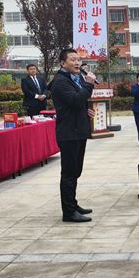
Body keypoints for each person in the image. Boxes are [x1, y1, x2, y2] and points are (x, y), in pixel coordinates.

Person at [49, 47, 96, 223]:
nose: (77, 63)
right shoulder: (60, 82)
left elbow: (77, 103)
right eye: (73, 60)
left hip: (77, 131)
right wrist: (89, 84)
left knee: (76, 171)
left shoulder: (73, 79)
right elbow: (76, 99)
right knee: (69, 173)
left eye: (78, 60)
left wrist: (85, 111)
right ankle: (68, 212)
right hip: (69, 133)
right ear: (63, 63)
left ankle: (73, 204)